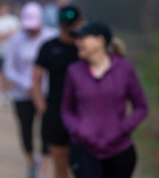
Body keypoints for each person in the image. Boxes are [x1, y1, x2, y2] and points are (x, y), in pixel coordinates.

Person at [61, 22, 148, 178]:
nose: (77, 43)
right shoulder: (74, 71)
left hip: (119, 150)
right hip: (84, 148)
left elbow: (141, 107)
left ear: (99, 41)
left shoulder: (124, 69)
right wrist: (78, 129)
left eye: (82, 38)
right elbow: (66, 109)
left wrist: (122, 128)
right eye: (76, 39)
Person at [3, 1, 59, 178]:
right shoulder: (15, 40)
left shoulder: (52, 37)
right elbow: (8, 69)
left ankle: (43, 167)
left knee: (46, 131)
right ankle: (30, 160)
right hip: (23, 93)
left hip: (46, 92)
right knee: (26, 131)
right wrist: (26, 83)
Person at [33, 4, 83, 178]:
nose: (67, 29)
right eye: (64, 25)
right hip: (56, 109)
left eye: (71, 25)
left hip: (83, 111)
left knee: (83, 165)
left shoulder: (85, 48)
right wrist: (42, 107)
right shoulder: (49, 47)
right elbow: (36, 79)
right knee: (60, 165)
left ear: (80, 22)